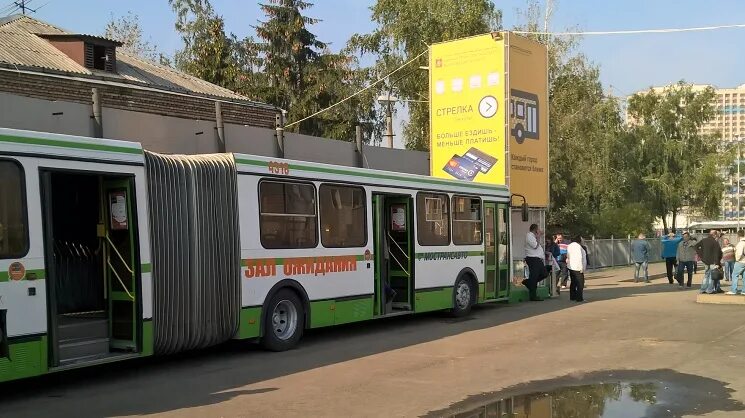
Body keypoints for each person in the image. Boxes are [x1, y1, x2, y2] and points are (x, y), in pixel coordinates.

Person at [695, 230, 723, 294]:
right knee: (711, 276)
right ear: (715, 235)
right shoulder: (714, 242)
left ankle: (703, 289)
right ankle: (709, 290)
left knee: (706, 275)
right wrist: (717, 263)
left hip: (705, 261)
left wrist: (701, 255)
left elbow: (696, 247)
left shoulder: (704, 240)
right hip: (713, 261)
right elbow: (716, 253)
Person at [524, 224, 546, 301]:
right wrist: (539, 236)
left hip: (537, 259)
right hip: (533, 259)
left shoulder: (533, 236)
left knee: (544, 274)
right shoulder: (529, 236)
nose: (539, 230)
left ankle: (529, 283)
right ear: (535, 229)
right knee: (534, 276)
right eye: (538, 229)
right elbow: (535, 246)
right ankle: (533, 295)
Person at [566, 236, 588, 302]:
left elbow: (568, 256)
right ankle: (579, 298)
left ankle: (573, 296)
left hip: (571, 266)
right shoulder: (578, 246)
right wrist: (581, 267)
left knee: (573, 282)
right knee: (580, 283)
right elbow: (579, 257)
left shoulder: (570, 246)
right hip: (577, 267)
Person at [727, 230, 745, 295]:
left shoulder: (741, 243)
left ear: (738, 235)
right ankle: (744, 291)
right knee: (744, 276)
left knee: (734, 275)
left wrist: (737, 259)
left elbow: (739, 253)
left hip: (740, 261)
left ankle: (733, 290)